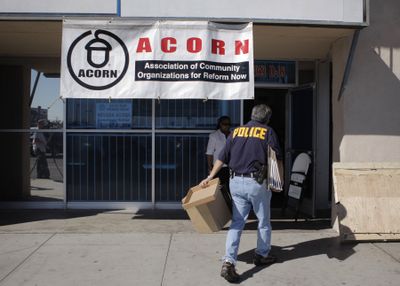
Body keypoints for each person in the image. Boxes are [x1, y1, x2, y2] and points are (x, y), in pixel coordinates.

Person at [199, 104, 283, 283]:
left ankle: (229, 261)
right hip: (257, 183)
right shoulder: (267, 131)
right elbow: (276, 159)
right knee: (263, 221)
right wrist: (278, 182)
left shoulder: (235, 132)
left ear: (252, 116)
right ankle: (261, 255)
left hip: (235, 182)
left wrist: (209, 176)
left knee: (237, 222)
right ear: (267, 119)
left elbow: (221, 158)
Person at [205, 116, 232, 209]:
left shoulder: (233, 134)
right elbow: (209, 153)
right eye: (225, 124)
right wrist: (210, 168)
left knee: (231, 190)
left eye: (229, 124)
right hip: (218, 167)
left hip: (231, 167)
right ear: (220, 124)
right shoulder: (214, 136)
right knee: (219, 190)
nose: (227, 126)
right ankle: (220, 210)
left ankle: (230, 209)